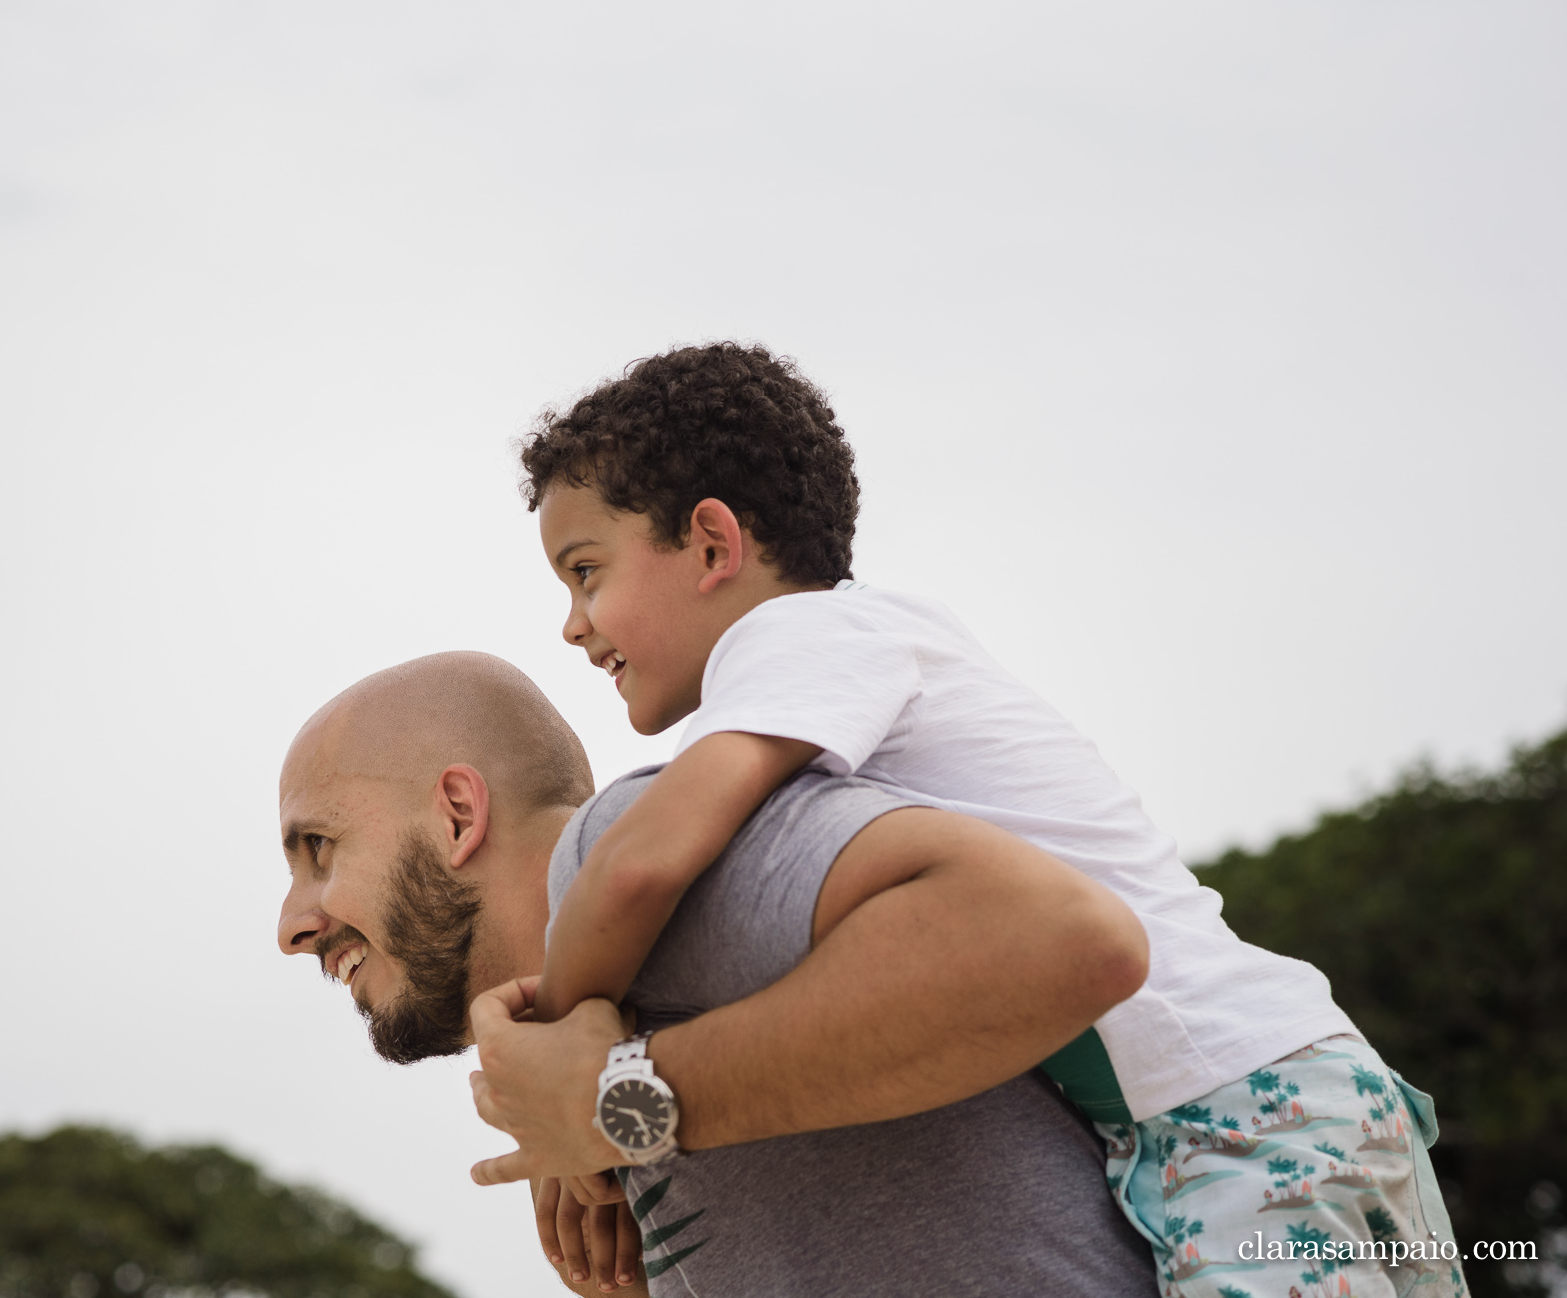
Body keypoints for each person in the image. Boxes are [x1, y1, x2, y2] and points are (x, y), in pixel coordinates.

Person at [503, 342, 1465, 1297]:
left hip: (1243, 1113)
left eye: (586, 571)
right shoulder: (864, 648)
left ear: (714, 545)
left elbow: (638, 864)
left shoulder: (805, 635)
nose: (573, 623)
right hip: (1280, 1093)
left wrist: (559, 1080)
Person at [277, 652, 1158, 1295]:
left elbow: (1063, 935)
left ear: (459, 813)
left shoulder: (621, 846)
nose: (293, 924)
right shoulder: (570, 1071)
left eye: (318, 849)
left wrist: (628, 1103)